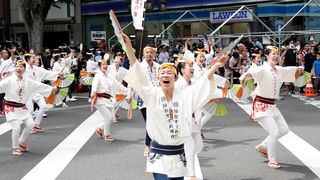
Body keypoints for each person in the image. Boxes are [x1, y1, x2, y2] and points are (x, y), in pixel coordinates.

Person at [122, 32, 227, 180]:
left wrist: (216, 65)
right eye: (162, 73)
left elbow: (203, 83)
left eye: (169, 73)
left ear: (175, 78)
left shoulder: (185, 96)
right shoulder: (152, 94)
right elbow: (137, 72)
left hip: (179, 156)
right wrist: (128, 47)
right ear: (158, 78)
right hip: (159, 156)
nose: (165, 75)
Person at [239, 46, 304, 169]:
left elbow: (290, 70)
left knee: (284, 129)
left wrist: (299, 69)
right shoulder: (262, 69)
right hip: (261, 105)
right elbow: (251, 73)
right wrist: (244, 76)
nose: (275, 56)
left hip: (272, 105)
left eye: (276, 54)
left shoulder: (279, 69)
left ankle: (263, 146)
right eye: (272, 54)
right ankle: (272, 159)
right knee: (274, 131)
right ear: (267, 56)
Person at [0, 60, 59, 156]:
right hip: (10, 107)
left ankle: (21, 142)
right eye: (17, 66)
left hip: (22, 108)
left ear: (24, 69)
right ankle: (15, 147)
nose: (18, 68)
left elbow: (39, 86)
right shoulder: (9, 80)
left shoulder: (28, 81)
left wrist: (52, 90)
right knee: (16, 127)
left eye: (21, 67)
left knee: (31, 124)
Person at [23, 53, 63, 133]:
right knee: (30, 110)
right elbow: (14, 71)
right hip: (27, 92)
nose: (35, 60)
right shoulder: (23, 68)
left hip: (37, 91)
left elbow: (46, 73)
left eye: (35, 58)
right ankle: (30, 127)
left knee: (43, 106)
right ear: (28, 60)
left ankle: (36, 125)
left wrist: (58, 75)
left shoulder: (37, 69)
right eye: (33, 58)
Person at [91, 59, 128, 142]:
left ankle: (99, 127)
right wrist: (93, 92)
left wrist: (128, 91)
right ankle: (107, 135)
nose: (105, 66)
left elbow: (118, 86)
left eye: (106, 64)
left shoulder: (110, 76)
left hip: (109, 100)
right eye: (103, 64)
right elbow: (94, 86)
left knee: (112, 118)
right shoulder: (98, 76)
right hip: (100, 100)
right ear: (100, 66)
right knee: (108, 117)